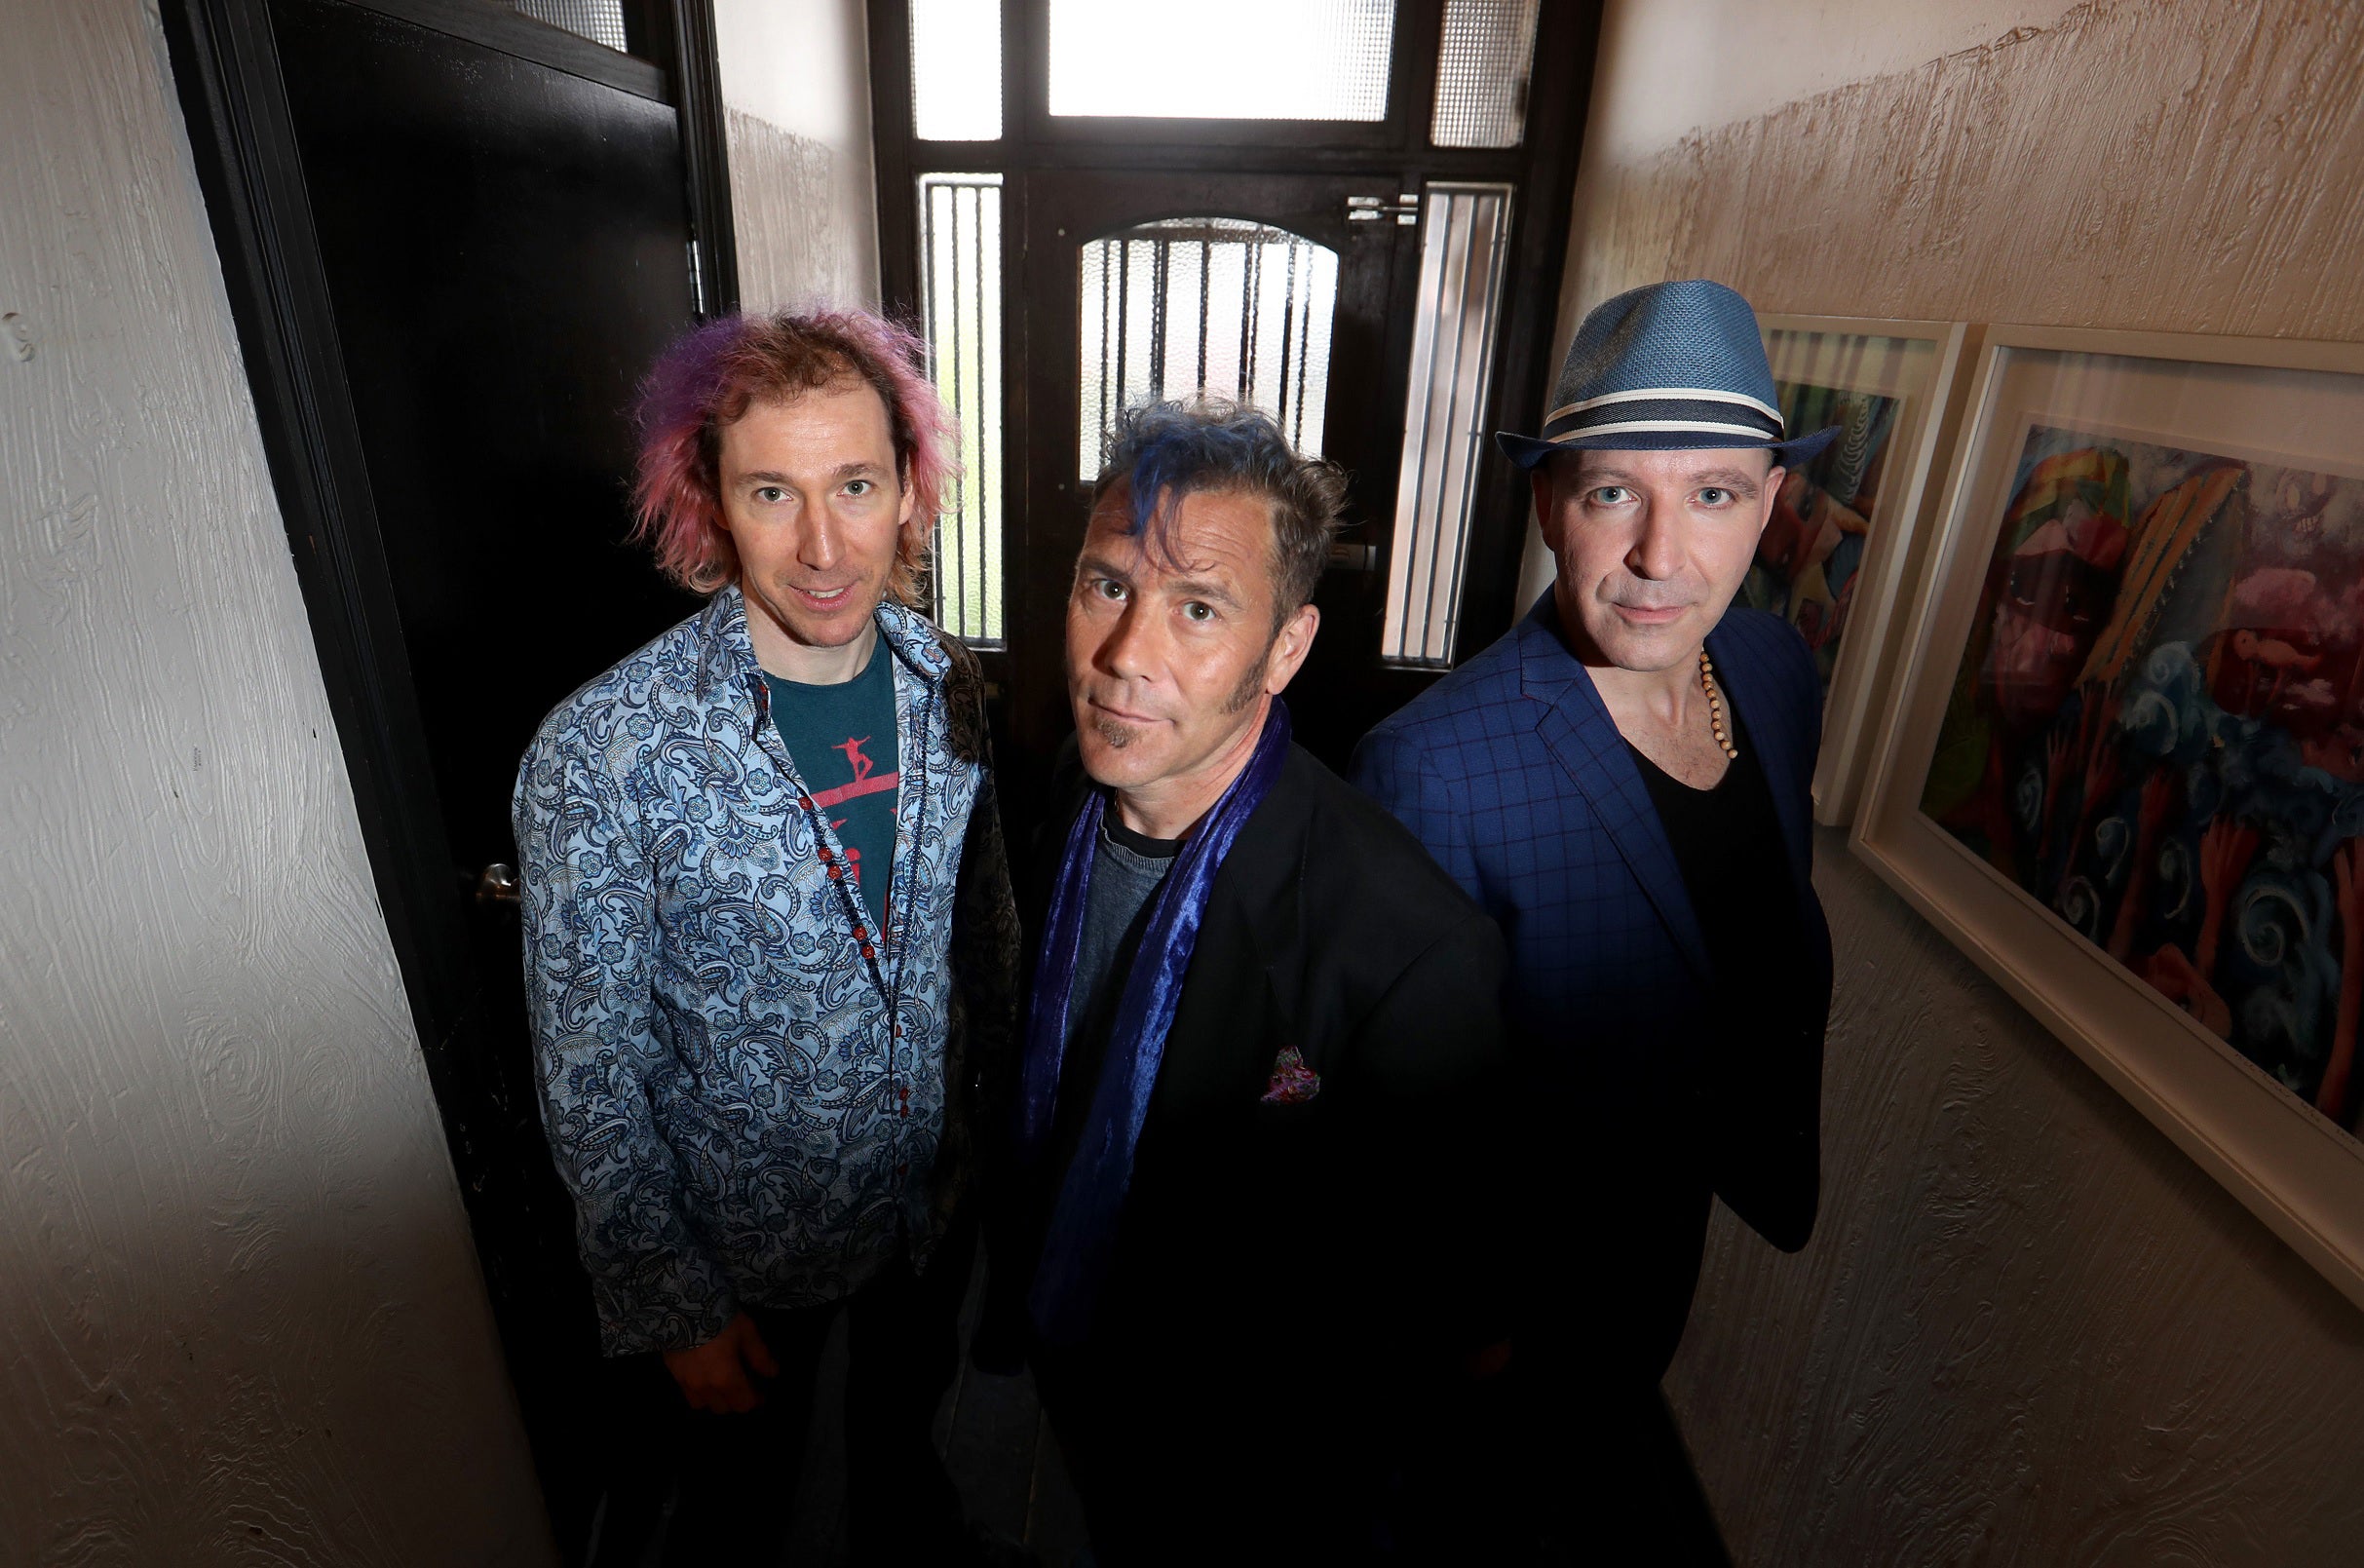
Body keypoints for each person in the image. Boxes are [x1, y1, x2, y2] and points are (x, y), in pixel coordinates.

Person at [513, 309, 1021, 1564]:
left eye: (854, 485)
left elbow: (976, 935)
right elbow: (588, 1071)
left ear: (908, 486)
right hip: (741, 1252)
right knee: (738, 1514)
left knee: (903, 1446)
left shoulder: (943, 680)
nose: (823, 546)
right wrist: (672, 1302)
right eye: (771, 492)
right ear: (712, 501)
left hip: (923, 1206)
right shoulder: (605, 751)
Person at [1352, 280, 1837, 1564]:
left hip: (1662, 1244)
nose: (1661, 557)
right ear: (1545, 502)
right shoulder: (1432, 765)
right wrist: (1472, 1326)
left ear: (1771, 505)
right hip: (1504, 1310)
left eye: (1714, 494)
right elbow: (1391, 1108)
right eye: (1613, 492)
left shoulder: (1774, 673)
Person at [995, 400, 1511, 1564]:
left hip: (1257, 1451)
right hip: (1077, 1354)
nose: (1124, 656)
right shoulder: (1062, 794)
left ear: (1285, 648)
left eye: (1197, 608)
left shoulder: (1408, 947)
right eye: (1106, 587)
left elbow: (1444, 1308)